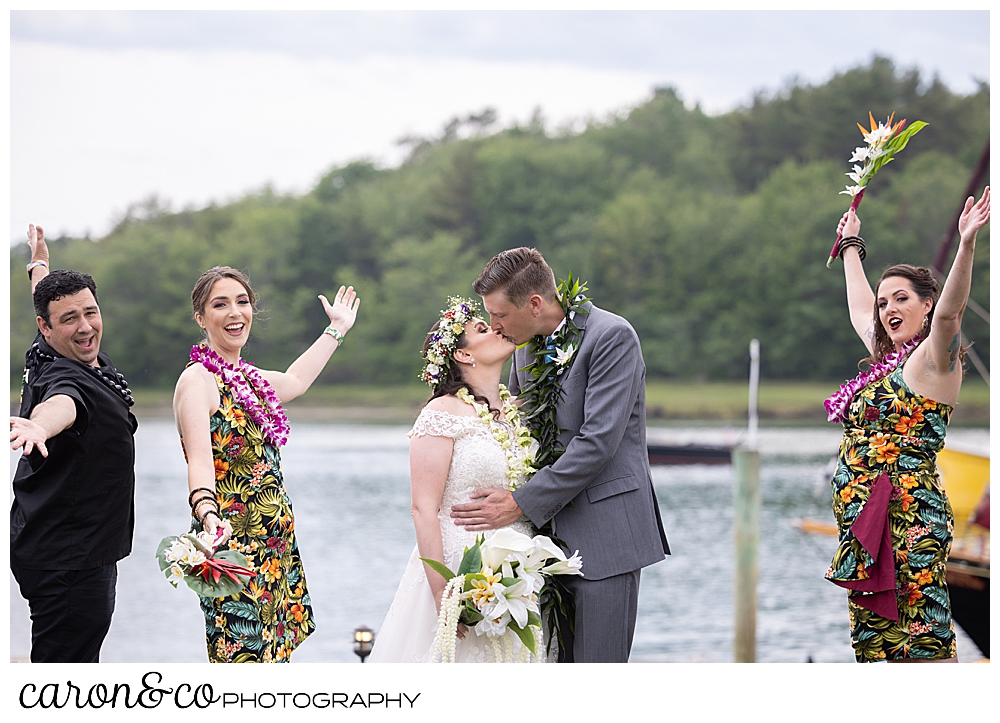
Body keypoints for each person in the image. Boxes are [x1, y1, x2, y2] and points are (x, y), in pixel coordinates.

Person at [451, 248, 670, 663]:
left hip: (606, 537)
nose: (494, 326)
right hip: (542, 547)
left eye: (499, 315)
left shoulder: (612, 337)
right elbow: (518, 434)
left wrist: (518, 502)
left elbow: (597, 442)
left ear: (535, 303)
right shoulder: (524, 347)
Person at [824, 187, 990, 662]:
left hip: (908, 523)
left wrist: (967, 244)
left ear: (925, 305)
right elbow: (859, 308)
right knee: (877, 647)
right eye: (884, 303)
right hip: (864, 527)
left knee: (921, 641)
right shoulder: (887, 361)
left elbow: (953, 312)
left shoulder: (934, 363)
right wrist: (852, 243)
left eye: (901, 299)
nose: (888, 309)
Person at [172, 266, 359, 663]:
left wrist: (337, 329)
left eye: (242, 302)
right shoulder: (198, 381)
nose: (234, 312)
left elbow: (296, 379)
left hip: (274, 548)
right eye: (219, 304)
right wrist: (206, 512)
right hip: (230, 547)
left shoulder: (248, 377)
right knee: (242, 661)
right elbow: (200, 462)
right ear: (201, 318)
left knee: (275, 663)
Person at [368, 298, 543, 663]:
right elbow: (422, 509)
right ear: (463, 356)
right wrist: (443, 592)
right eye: (481, 329)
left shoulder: (517, 410)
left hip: (520, 573)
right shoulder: (441, 412)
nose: (496, 328)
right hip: (458, 566)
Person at [10, 224, 138, 663]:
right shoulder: (65, 378)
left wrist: (38, 266)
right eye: (70, 319)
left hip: (57, 545)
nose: (85, 327)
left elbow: (45, 298)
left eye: (91, 312)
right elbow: (61, 406)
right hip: (70, 562)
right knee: (66, 674)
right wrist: (38, 428)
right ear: (45, 327)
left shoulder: (49, 349)